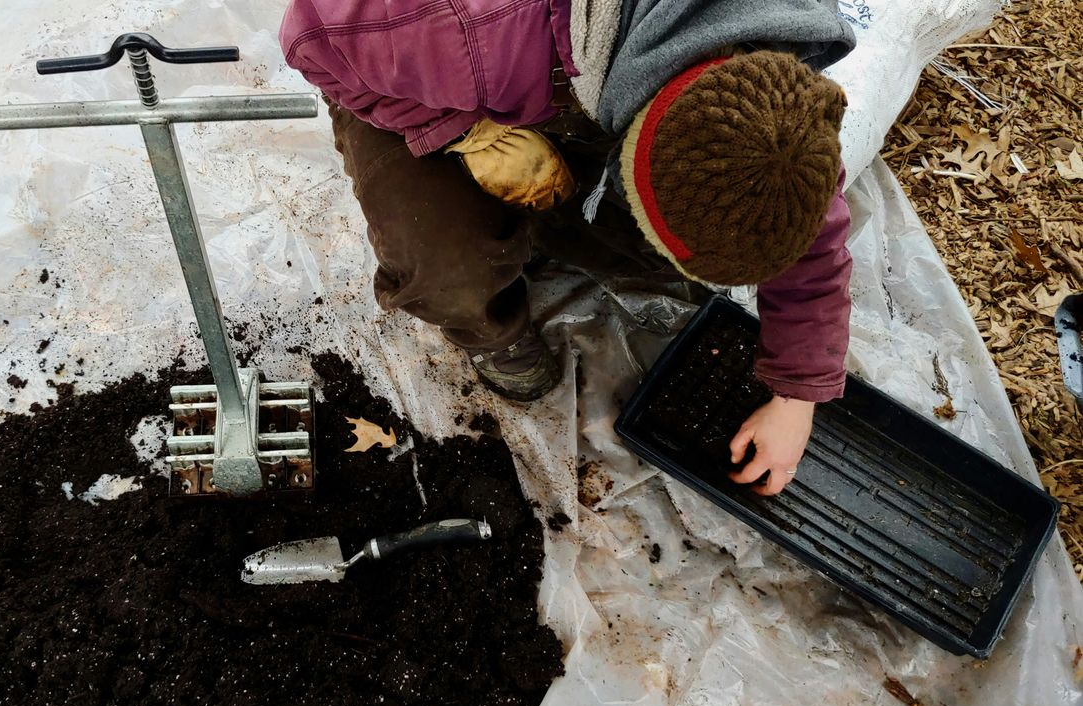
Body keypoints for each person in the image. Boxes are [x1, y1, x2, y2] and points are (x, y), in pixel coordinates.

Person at [280, 0, 857, 495]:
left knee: (653, 259)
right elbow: (310, 39)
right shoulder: (453, 23)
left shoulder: (773, 79)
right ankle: (492, 329)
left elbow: (807, 229)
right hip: (415, 79)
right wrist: (464, 134)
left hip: (567, 73)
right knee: (446, 262)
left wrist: (797, 393)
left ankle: (553, 221)